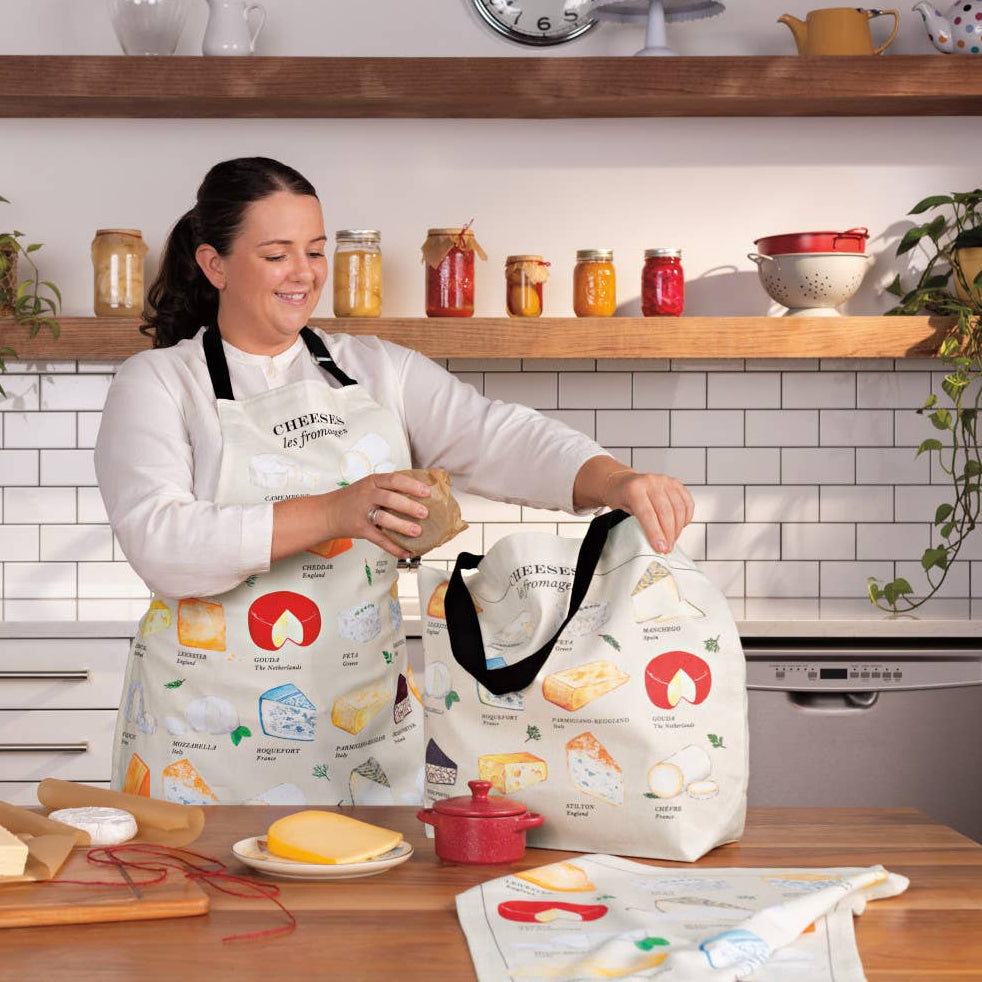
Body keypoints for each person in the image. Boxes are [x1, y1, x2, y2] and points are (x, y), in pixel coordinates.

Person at [94, 156, 694, 807]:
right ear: (216, 265)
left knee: (374, 905)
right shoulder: (157, 384)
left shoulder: (378, 370)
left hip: (365, 733)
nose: (304, 273)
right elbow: (163, 545)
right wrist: (334, 513)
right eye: (276, 254)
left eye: (316, 251)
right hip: (205, 740)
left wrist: (617, 479)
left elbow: (500, 436)